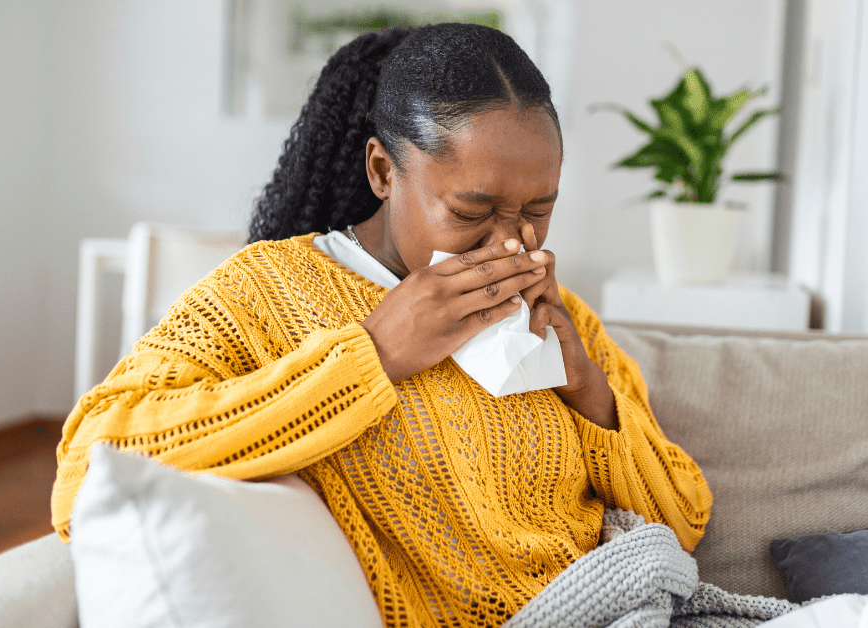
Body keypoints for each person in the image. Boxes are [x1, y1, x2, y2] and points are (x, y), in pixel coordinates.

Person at [51, 23, 711, 627]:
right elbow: (88, 466)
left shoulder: (561, 314)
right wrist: (372, 355)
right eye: (471, 210)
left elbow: (683, 520)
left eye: (539, 209)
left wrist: (590, 394)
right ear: (382, 171)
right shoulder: (268, 292)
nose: (514, 243)